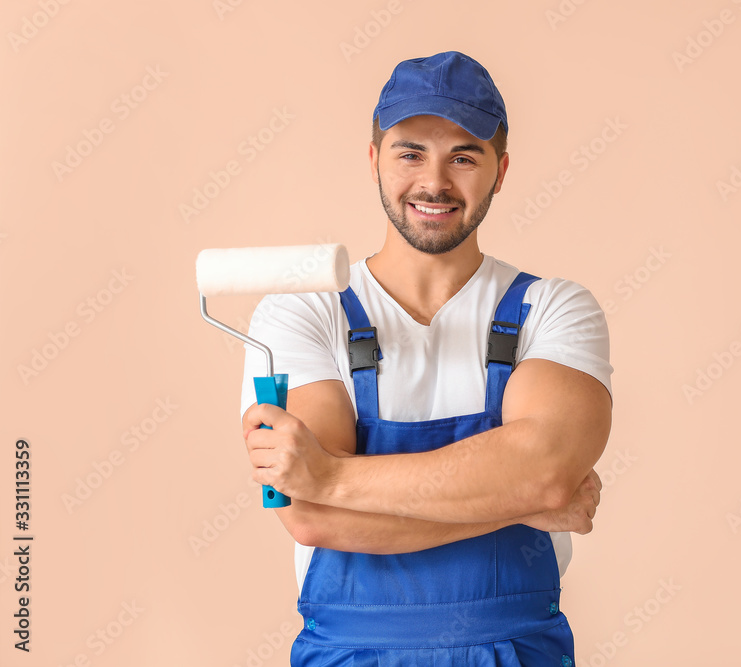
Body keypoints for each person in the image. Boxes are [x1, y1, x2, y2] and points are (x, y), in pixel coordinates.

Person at [240, 50, 613, 666]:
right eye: (410, 152)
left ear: (501, 171)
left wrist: (333, 476)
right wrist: (521, 501)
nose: (434, 182)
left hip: (517, 651)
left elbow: (546, 470)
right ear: (373, 160)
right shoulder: (303, 312)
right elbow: (312, 519)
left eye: (463, 156)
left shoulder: (553, 309)